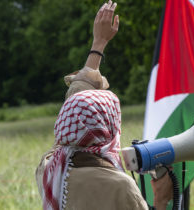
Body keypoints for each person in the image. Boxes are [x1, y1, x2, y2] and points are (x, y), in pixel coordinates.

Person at [35, 1, 172, 210]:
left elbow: (76, 109)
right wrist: (161, 199)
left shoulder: (50, 168)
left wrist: (98, 44)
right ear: (110, 126)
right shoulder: (121, 186)